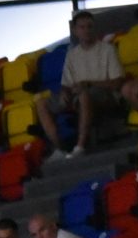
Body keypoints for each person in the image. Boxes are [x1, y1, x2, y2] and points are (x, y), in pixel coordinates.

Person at [37, 11, 122, 157]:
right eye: (82, 27)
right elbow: (66, 83)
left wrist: (88, 84)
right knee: (41, 103)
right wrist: (64, 92)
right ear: (75, 31)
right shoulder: (72, 55)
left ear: (94, 28)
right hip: (76, 93)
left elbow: (117, 83)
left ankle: (80, 146)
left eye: (89, 26)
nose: (86, 30)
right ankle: (60, 148)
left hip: (104, 94)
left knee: (84, 95)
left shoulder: (108, 50)